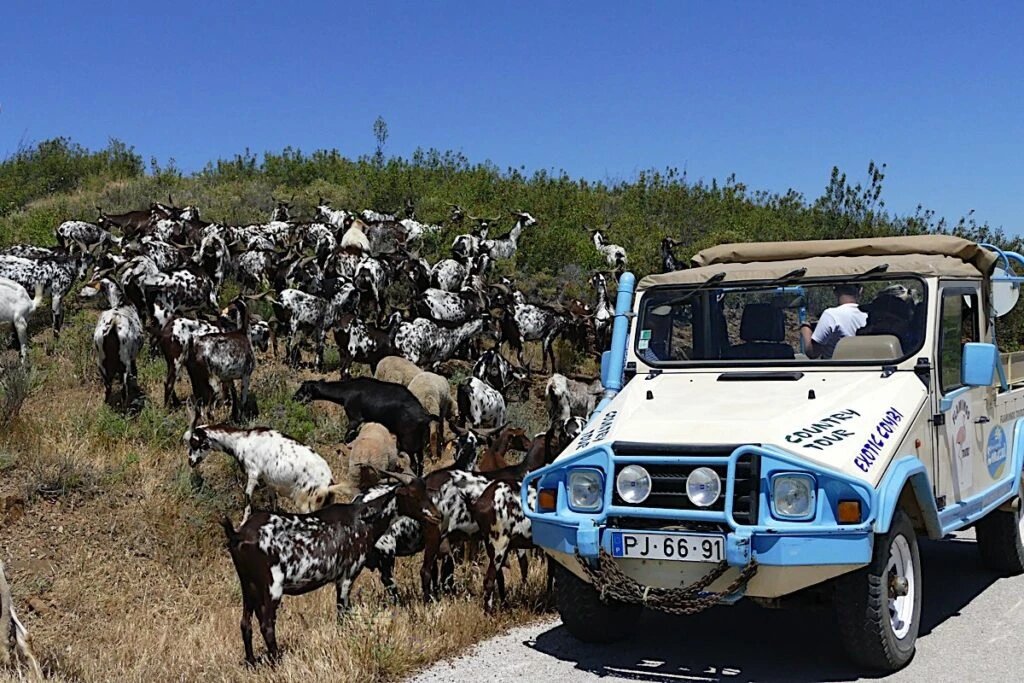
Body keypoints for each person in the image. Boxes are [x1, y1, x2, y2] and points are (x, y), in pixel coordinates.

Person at [799, 284, 867, 359]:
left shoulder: (831, 315)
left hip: (836, 365)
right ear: (860, 290)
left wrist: (805, 329)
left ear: (835, 291)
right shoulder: (868, 314)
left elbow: (812, 353)